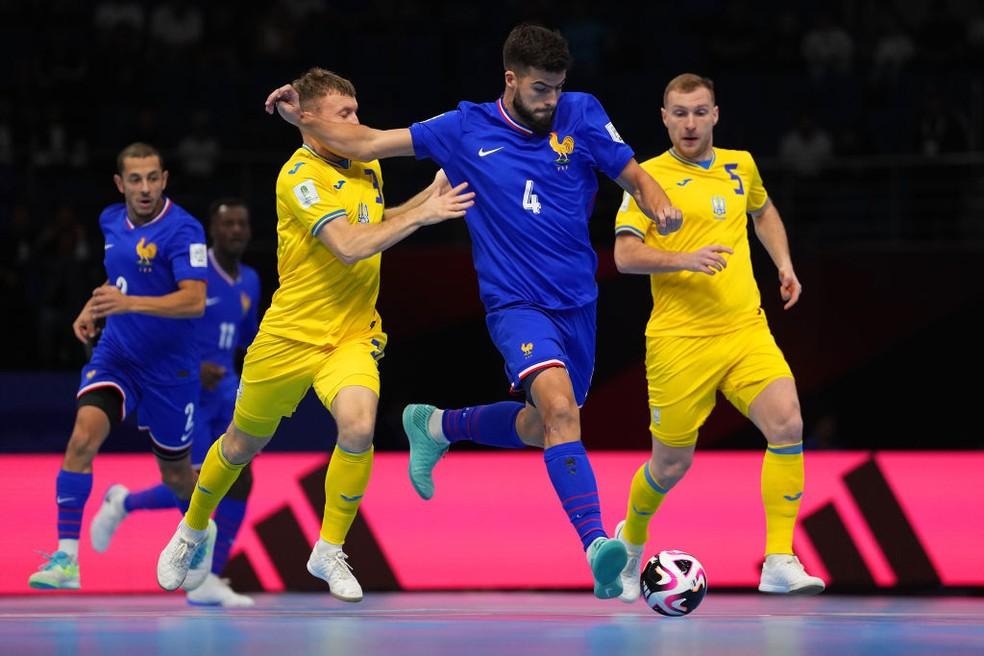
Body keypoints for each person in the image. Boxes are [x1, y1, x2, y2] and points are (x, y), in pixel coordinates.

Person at [260, 24, 684, 600]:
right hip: (516, 304)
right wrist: (301, 118)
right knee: (561, 413)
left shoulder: (582, 113)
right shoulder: (462, 129)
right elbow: (366, 142)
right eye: (539, 90)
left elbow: (629, 172)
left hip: (578, 303)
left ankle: (435, 425)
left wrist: (656, 199)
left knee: (541, 427)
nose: (550, 101)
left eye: (558, 88)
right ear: (509, 79)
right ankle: (596, 547)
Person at [156, 68, 475, 601]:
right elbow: (350, 244)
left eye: (357, 111)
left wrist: (424, 200)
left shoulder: (367, 164)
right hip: (290, 335)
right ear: (311, 121)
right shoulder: (297, 177)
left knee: (358, 427)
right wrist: (423, 218)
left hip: (351, 334)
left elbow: (376, 219)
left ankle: (328, 549)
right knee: (239, 445)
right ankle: (191, 531)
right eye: (345, 115)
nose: (358, 123)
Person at [611, 73, 825, 602]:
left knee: (788, 421)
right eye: (679, 113)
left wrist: (784, 264)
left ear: (715, 114)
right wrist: (685, 257)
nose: (689, 122)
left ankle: (779, 557)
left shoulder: (740, 164)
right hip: (679, 342)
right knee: (670, 464)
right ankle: (631, 538)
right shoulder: (645, 178)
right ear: (664, 117)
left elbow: (763, 210)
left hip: (745, 328)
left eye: (699, 111)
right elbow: (624, 255)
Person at [29, 142, 217, 590]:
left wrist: (127, 301)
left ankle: (200, 531)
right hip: (118, 355)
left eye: (153, 178)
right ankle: (67, 559)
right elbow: (120, 280)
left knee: (176, 476)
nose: (145, 188)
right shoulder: (110, 220)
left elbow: (192, 301)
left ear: (165, 179)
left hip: (171, 371)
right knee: (82, 437)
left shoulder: (184, 230)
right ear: (120, 184)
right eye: (135, 179)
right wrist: (94, 308)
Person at [89, 198, 260, 607]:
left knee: (242, 480)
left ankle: (209, 579)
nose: (236, 230)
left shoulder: (251, 280)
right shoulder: (192, 275)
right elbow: (157, 315)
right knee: (198, 481)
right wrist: (194, 363)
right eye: (228, 224)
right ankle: (123, 502)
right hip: (181, 387)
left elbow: (249, 337)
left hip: (226, 395)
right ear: (213, 233)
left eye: (242, 223)